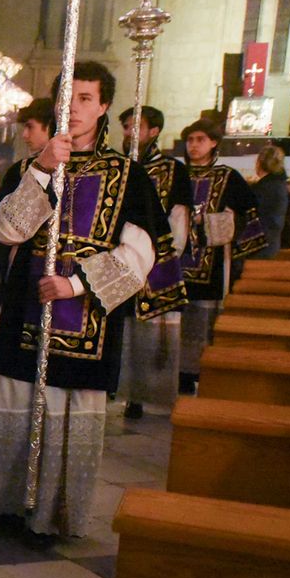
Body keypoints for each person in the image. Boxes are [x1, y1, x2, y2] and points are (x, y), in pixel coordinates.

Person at [0, 61, 167, 539]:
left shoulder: (128, 176)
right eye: (67, 98)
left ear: (105, 106)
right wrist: (43, 170)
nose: (73, 107)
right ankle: (7, 502)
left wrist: (74, 286)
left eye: (86, 99)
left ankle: (50, 513)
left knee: (64, 406)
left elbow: (140, 256)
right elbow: (8, 230)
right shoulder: (30, 168)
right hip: (22, 314)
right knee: (14, 397)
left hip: (85, 318)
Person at [0, 97, 54, 370]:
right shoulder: (21, 170)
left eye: (30, 127)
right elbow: (1, 228)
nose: (24, 135)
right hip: (19, 276)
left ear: (51, 127)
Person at [178, 119, 265, 393]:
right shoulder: (176, 174)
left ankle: (196, 371)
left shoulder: (228, 177)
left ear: (214, 142)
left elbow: (249, 213)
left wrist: (213, 222)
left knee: (201, 321)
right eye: (190, 140)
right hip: (175, 262)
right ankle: (174, 372)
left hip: (210, 261)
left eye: (200, 140)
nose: (193, 146)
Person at [117, 104, 191, 419]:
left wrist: (160, 254)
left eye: (136, 127)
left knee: (152, 329)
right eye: (126, 127)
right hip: (122, 256)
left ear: (153, 131)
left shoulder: (173, 170)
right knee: (126, 329)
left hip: (159, 260)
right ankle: (126, 393)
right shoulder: (120, 166)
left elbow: (178, 219)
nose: (129, 133)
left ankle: (152, 393)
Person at [252, 144, 290, 259]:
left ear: (259, 163)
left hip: (259, 243)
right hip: (273, 241)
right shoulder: (280, 184)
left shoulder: (263, 188)